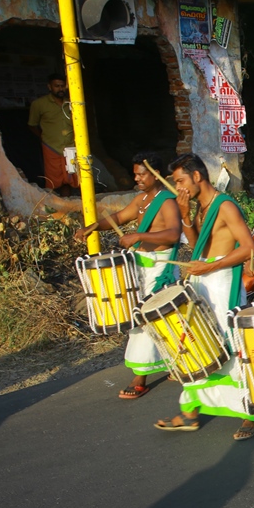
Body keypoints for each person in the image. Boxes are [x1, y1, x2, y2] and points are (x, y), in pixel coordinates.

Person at [155, 153, 254, 439]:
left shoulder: (225, 206)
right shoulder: (200, 208)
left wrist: (211, 266)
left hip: (223, 283)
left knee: (231, 347)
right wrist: (187, 217)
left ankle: (251, 411)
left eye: (180, 181)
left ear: (197, 176)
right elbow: (198, 247)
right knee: (198, 344)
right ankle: (190, 411)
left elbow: (248, 247)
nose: (178, 187)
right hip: (204, 281)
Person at [74, 154, 182, 399]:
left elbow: (174, 234)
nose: (137, 178)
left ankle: (140, 377)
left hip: (160, 266)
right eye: (135, 174)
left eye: (141, 174)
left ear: (155, 174)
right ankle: (177, 362)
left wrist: (138, 237)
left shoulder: (166, 201)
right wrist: (93, 227)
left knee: (145, 318)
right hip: (139, 266)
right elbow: (120, 217)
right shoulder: (141, 199)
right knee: (158, 318)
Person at [27, 74, 77, 196]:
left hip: (71, 146)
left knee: (70, 178)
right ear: (49, 87)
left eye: (62, 86)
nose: (60, 89)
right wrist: (43, 138)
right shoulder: (39, 104)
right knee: (53, 181)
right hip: (51, 147)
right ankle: (55, 207)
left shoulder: (73, 103)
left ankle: (68, 204)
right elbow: (32, 124)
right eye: (57, 86)